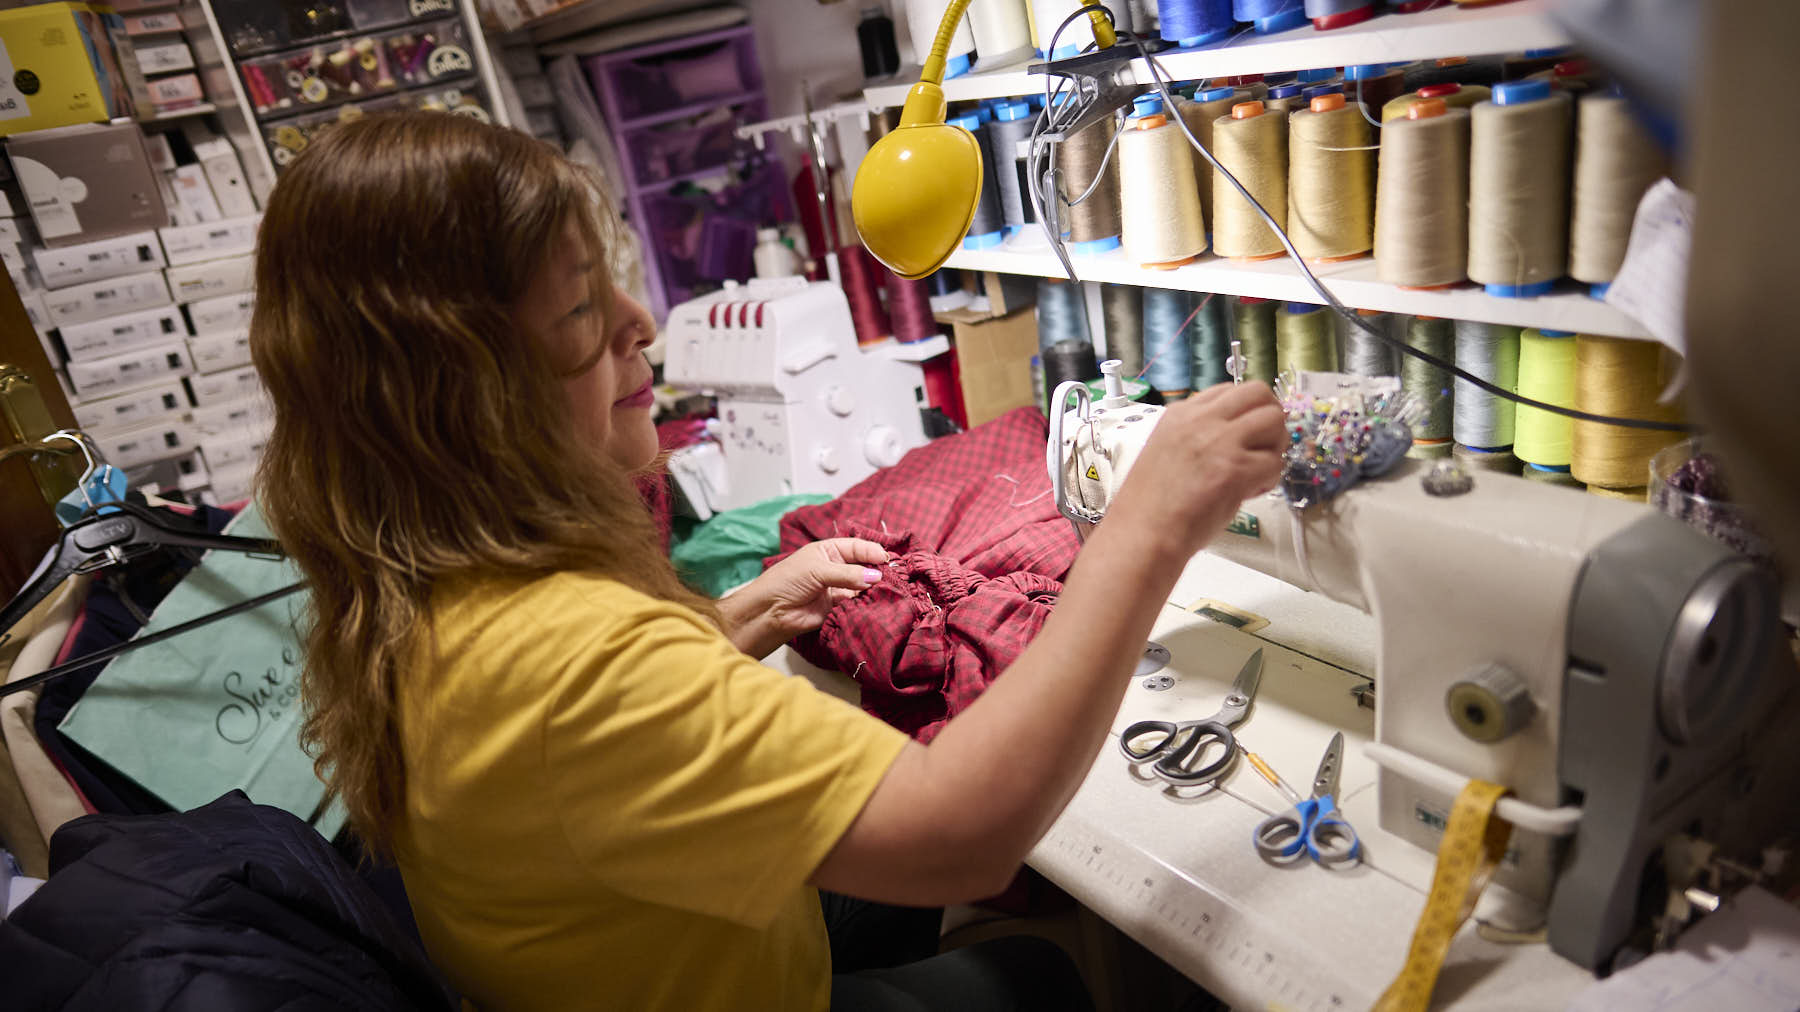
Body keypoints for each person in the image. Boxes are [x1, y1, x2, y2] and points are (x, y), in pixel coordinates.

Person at [249, 112, 1286, 1011]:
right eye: (577, 308)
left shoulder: (419, 590)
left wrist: (741, 610)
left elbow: (584, 744)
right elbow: (963, 834)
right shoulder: (566, 656)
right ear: (462, 389)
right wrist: (1148, 523)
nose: (637, 321)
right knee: (1037, 978)